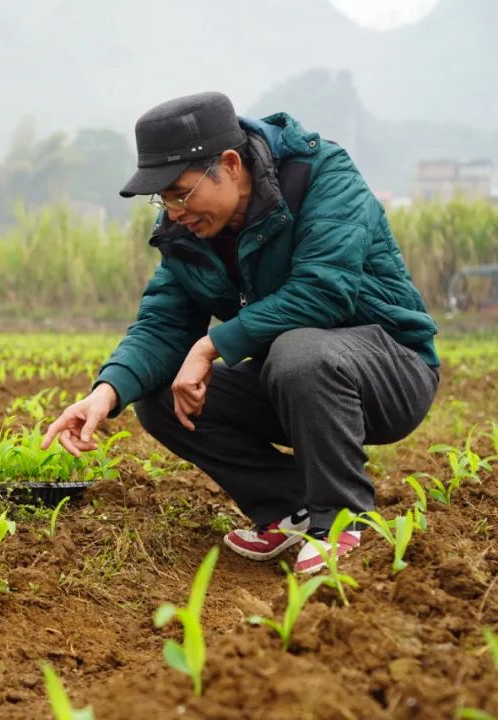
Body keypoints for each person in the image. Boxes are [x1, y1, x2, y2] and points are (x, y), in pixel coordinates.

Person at [43, 92, 440, 574]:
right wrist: (105, 393)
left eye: (181, 193)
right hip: (290, 380)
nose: (173, 212)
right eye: (163, 199)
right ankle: (291, 506)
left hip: (390, 371)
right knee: (162, 395)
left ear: (230, 165)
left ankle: (341, 522)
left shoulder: (322, 175)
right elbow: (163, 321)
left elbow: (323, 291)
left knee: (301, 351)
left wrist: (211, 345)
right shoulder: (186, 232)